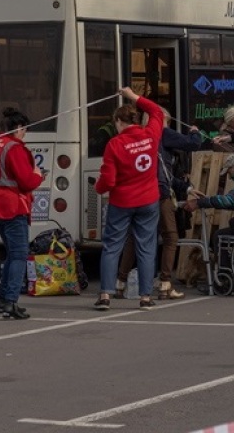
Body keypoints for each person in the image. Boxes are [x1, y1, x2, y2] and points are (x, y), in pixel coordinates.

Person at [115, 110, 203, 300]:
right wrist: (195, 131)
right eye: (168, 121)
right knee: (171, 237)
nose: (169, 125)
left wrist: (187, 189)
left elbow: (165, 173)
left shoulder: (142, 137)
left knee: (134, 237)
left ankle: (120, 283)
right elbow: (193, 144)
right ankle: (165, 284)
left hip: (139, 193)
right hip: (159, 195)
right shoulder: (162, 133)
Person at [93, 86, 165, 310]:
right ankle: (145, 297)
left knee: (112, 247)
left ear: (119, 122)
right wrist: (134, 97)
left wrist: (98, 186)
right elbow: (157, 112)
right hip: (149, 200)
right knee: (146, 247)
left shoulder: (114, 144)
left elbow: (108, 181)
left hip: (122, 202)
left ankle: (105, 294)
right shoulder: (151, 135)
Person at [0, 107, 43, 320]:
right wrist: (39, 176)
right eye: (24, 130)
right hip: (13, 206)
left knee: (11, 254)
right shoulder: (14, 148)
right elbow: (26, 182)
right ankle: (10, 301)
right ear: (18, 128)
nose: (25, 134)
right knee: (18, 255)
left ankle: (3, 298)